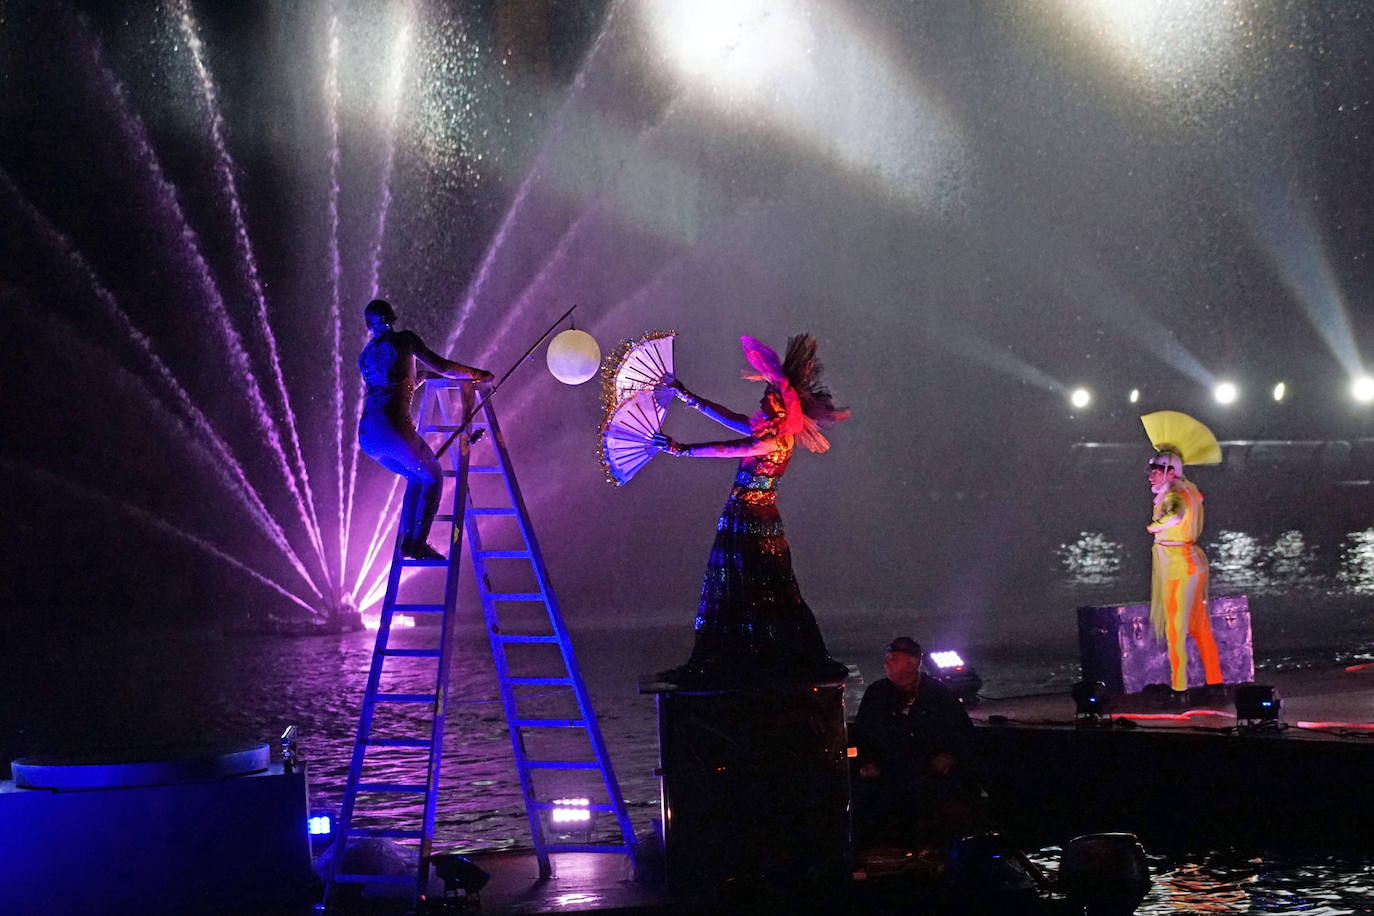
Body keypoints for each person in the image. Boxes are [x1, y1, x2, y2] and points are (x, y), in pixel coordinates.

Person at [650, 334, 850, 687]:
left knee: (747, 586)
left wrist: (681, 449)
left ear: (780, 406)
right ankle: (751, 653)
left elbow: (727, 448)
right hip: (753, 518)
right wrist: (686, 396)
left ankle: (751, 658)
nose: (762, 399)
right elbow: (729, 419)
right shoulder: (772, 430)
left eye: (769, 396)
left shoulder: (773, 439)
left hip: (750, 521)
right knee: (753, 587)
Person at [357, 299, 491, 560]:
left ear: (368, 325)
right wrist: (477, 373)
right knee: (433, 477)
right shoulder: (405, 339)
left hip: (368, 437)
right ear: (393, 319)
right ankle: (416, 543)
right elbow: (443, 366)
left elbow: (390, 383)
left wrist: (422, 378)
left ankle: (409, 542)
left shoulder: (365, 356)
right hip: (392, 429)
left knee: (416, 478)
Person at [851, 637, 980, 849]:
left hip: (925, 769)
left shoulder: (936, 693)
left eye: (894, 659)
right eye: (887, 659)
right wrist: (865, 762)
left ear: (913, 662)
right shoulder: (877, 693)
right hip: (886, 769)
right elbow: (862, 734)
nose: (887, 664)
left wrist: (949, 755)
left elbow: (962, 732)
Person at [1147, 450, 1223, 700]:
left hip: (1179, 566)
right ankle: (1215, 682)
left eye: (1156, 472)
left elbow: (1176, 514)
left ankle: (1179, 688)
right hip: (1191, 563)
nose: (1151, 477)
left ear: (1170, 472)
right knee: (1199, 625)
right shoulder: (1188, 489)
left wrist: (1155, 526)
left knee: (1175, 628)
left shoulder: (1175, 494)